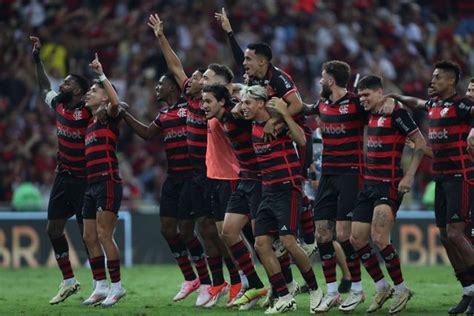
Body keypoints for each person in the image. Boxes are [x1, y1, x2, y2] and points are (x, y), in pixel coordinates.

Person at [215, 8, 316, 257]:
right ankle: (284, 235)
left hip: (296, 136)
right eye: (246, 59)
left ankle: (310, 238)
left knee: (295, 185)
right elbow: (240, 57)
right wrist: (229, 32)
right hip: (273, 137)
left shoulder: (278, 78)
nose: (244, 63)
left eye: (249, 59)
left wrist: (277, 123)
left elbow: (297, 105)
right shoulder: (253, 78)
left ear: (262, 61)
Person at [148, 13, 233, 307]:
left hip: (214, 172)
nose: (195, 79)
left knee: (217, 230)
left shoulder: (216, 102)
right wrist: (160, 36)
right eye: (196, 77)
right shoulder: (191, 97)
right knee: (202, 230)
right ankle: (215, 282)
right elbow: (175, 65)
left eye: (202, 77)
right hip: (195, 174)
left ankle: (237, 280)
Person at [388, 61, 474, 314]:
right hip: (441, 178)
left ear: (450, 82)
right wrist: (395, 96)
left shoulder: (463, 106)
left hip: (461, 177)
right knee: (446, 237)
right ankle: (468, 290)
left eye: (437, 78)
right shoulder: (434, 105)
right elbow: (414, 103)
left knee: (457, 234)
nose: (432, 81)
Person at [121, 73, 209, 303]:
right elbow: (147, 134)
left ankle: (207, 283)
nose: (157, 88)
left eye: (160, 84)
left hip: (192, 177)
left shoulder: (189, 107)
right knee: (168, 230)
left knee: (187, 231)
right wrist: (124, 114)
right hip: (173, 177)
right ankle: (191, 279)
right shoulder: (164, 114)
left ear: (172, 87)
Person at [240, 85, 323, 314]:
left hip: (288, 188)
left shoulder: (278, 124)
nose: (243, 107)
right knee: (261, 244)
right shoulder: (255, 125)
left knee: (288, 242)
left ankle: (316, 290)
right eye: (243, 103)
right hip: (267, 191)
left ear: (260, 103)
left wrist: (285, 114)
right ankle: (285, 296)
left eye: (247, 103)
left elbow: (302, 141)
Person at [349, 75, 428, 314]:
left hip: (389, 183)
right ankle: (382, 286)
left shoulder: (397, 114)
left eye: (367, 95)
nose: (362, 99)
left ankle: (402, 289)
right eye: (360, 95)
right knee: (356, 239)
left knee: (380, 238)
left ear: (379, 92)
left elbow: (420, 143)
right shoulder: (367, 113)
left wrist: (410, 176)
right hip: (369, 183)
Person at [30, 36, 92, 305]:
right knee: (53, 229)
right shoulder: (59, 105)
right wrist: (36, 59)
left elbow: (112, 105)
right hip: (63, 175)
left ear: (78, 90)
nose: (62, 85)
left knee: (86, 233)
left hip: (85, 178)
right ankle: (69, 281)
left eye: (68, 82)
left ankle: (103, 284)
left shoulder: (89, 110)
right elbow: (44, 84)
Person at [303, 60, 366, 312]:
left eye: (322, 75)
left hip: (351, 173)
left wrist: (390, 100)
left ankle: (358, 290)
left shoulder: (355, 103)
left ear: (331, 79)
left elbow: (375, 111)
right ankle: (331, 292)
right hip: (327, 174)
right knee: (321, 235)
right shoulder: (322, 104)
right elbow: (304, 109)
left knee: (343, 235)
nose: (319, 79)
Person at [201, 84, 269, 309]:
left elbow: (259, 110)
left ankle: (283, 287)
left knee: (265, 242)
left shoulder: (236, 114)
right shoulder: (223, 118)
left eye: (208, 101)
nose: (204, 106)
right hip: (245, 179)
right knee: (228, 233)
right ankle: (256, 286)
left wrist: (243, 98)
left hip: (260, 179)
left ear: (222, 101)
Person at [81, 54, 126, 307]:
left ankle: (117, 287)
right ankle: (100, 286)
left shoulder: (109, 115)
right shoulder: (90, 124)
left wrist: (101, 74)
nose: (89, 93)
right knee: (89, 236)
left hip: (108, 181)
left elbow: (117, 102)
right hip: (91, 184)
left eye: (94, 91)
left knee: (104, 234)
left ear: (106, 96)